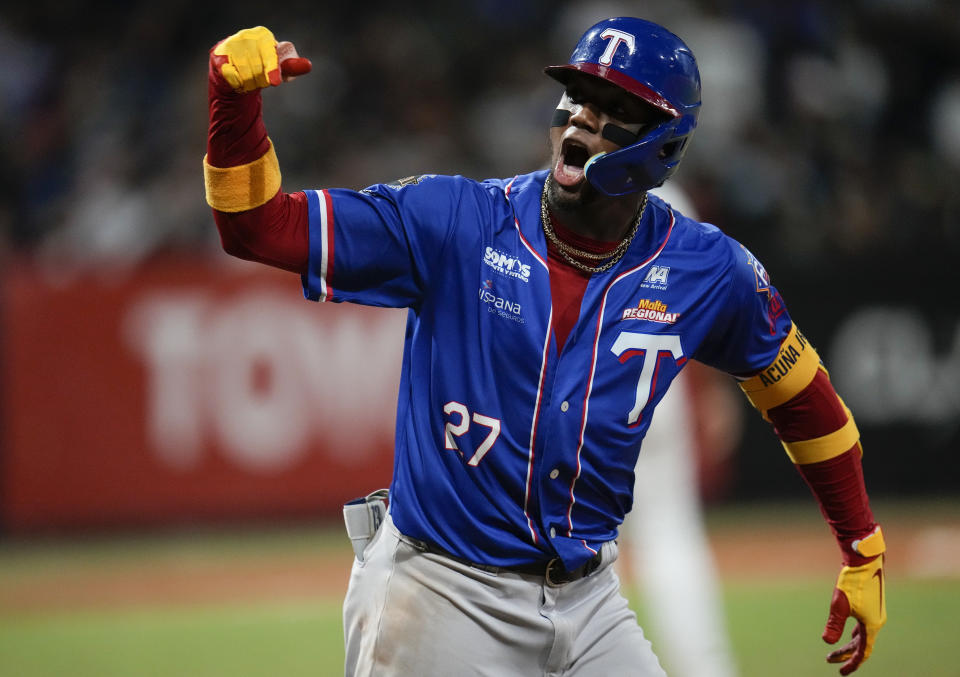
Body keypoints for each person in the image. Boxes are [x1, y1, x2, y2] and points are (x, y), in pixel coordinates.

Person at [203, 18, 886, 676]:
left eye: (614, 106)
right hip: (442, 589)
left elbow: (801, 397)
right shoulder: (455, 220)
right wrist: (232, 103)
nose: (584, 117)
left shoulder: (709, 269)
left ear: (664, 144)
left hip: (588, 601)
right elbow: (259, 228)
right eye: (578, 96)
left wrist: (863, 547)